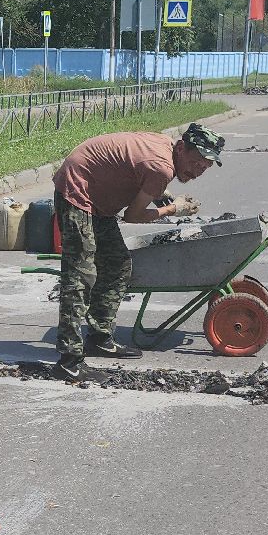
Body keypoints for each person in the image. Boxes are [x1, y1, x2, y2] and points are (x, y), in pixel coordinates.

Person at [49, 123, 224, 381]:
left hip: (99, 196)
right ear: (182, 148)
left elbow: (134, 166)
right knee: (80, 276)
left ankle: (99, 337)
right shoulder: (161, 167)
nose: (198, 170)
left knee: (117, 264)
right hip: (78, 191)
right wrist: (172, 209)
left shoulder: (166, 147)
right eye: (197, 161)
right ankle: (68, 361)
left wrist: (159, 192)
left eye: (205, 167)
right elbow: (133, 215)